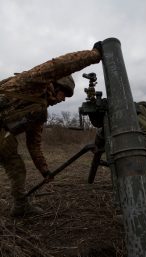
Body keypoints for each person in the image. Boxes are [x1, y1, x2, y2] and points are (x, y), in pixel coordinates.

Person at [0, 42, 102, 217]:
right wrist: (94, 55)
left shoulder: (40, 112)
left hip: (3, 137)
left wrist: (45, 171)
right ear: (56, 86)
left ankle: (20, 206)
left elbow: (34, 145)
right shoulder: (32, 83)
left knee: (17, 167)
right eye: (64, 94)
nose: (63, 100)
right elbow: (58, 65)